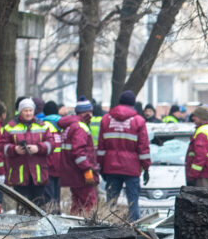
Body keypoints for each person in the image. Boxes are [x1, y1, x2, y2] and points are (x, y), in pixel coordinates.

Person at [98, 90, 150, 220]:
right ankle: (134, 229)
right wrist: (146, 168)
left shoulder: (106, 120)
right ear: (133, 104)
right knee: (133, 202)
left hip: (111, 167)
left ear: (119, 102)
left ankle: (109, 227)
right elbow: (143, 147)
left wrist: (101, 166)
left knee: (111, 203)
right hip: (131, 168)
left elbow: (101, 147)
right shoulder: (138, 121)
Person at [0, 98, 54, 205]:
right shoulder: (10, 127)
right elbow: (1, 146)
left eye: (30, 110)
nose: (28, 113)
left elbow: (52, 144)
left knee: (39, 208)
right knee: (22, 208)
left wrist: (38, 148)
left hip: (38, 174)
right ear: (20, 111)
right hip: (19, 175)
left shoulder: (43, 125)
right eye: (25, 111)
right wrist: (14, 149)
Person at [57, 99, 101, 215]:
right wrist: (87, 169)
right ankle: (86, 228)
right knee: (89, 203)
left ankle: (74, 225)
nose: (91, 115)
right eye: (88, 112)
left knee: (77, 203)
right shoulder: (80, 127)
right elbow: (78, 152)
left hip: (72, 172)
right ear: (82, 113)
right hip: (81, 174)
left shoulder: (70, 126)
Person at [186, 106, 208, 188]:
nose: (193, 118)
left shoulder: (202, 132)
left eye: (195, 116)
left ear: (201, 117)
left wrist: (192, 175)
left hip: (203, 176)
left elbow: (200, 157)